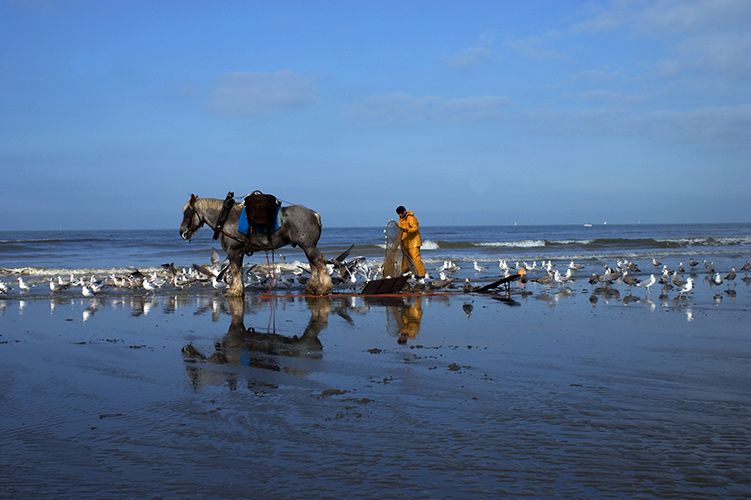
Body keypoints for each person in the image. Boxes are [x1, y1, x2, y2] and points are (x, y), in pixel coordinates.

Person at [395, 205, 426, 279]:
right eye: (398, 214)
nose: (400, 215)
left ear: (404, 212)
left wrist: (407, 230)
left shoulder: (411, 218)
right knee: (405, 259)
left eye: (400, 213)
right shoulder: (400, 220)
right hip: (405, 242)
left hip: (414, 242)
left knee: (415, 258)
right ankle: (405, 273)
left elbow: (415, 228)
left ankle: (421, 274)